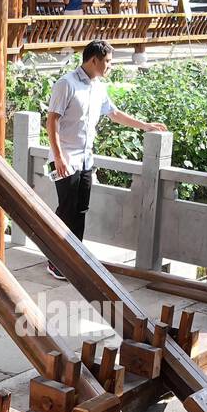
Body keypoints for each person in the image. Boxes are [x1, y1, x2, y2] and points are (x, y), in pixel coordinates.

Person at [45, 40, 166, 279]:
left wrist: (145, 126)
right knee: (66, 209)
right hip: (66, 157)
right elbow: (52, 120)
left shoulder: (99, 86)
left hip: (86, 159)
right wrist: (58, 156)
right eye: (108, 61)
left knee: (80, 209)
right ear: (93, 60)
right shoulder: (66, 84)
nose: (111, 66)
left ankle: (74, 256)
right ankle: (55, 259)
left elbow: (113, 113)